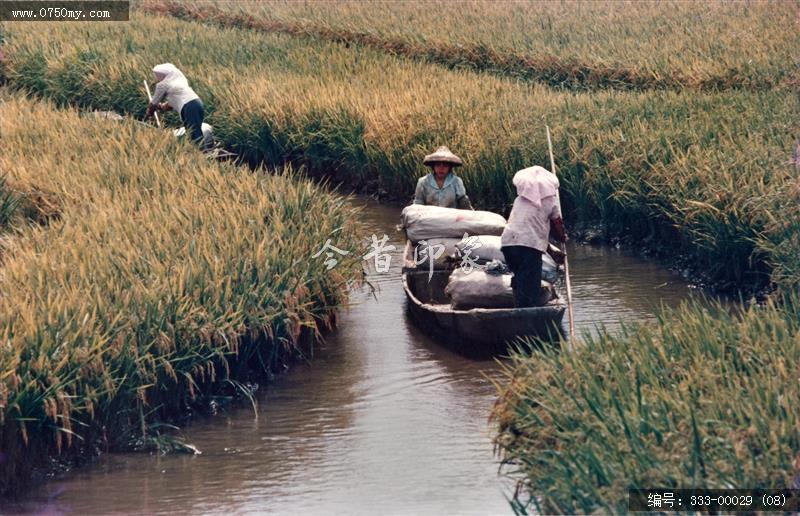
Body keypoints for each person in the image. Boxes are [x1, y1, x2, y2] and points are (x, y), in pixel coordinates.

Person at [500, 166, 567, 307]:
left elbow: (530, 233)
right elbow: (557, 227)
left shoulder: (519, 200)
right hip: (528, 248)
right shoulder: (551, 201)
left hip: (508, 244)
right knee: (531, 283)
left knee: (520, 276)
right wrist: (563, 237)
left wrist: (551, 252)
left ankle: (519, 306)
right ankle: (526, 313)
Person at [145, 63, 205, 146]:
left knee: (194, 133)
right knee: (194, 131)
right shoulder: (178, 82)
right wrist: (161, 107)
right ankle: (200, 151)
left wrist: (149, 113)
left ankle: (201, 153)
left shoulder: (163, 85)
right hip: (197, 104)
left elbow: (153, 103)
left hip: (189, 107)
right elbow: (169, 106)